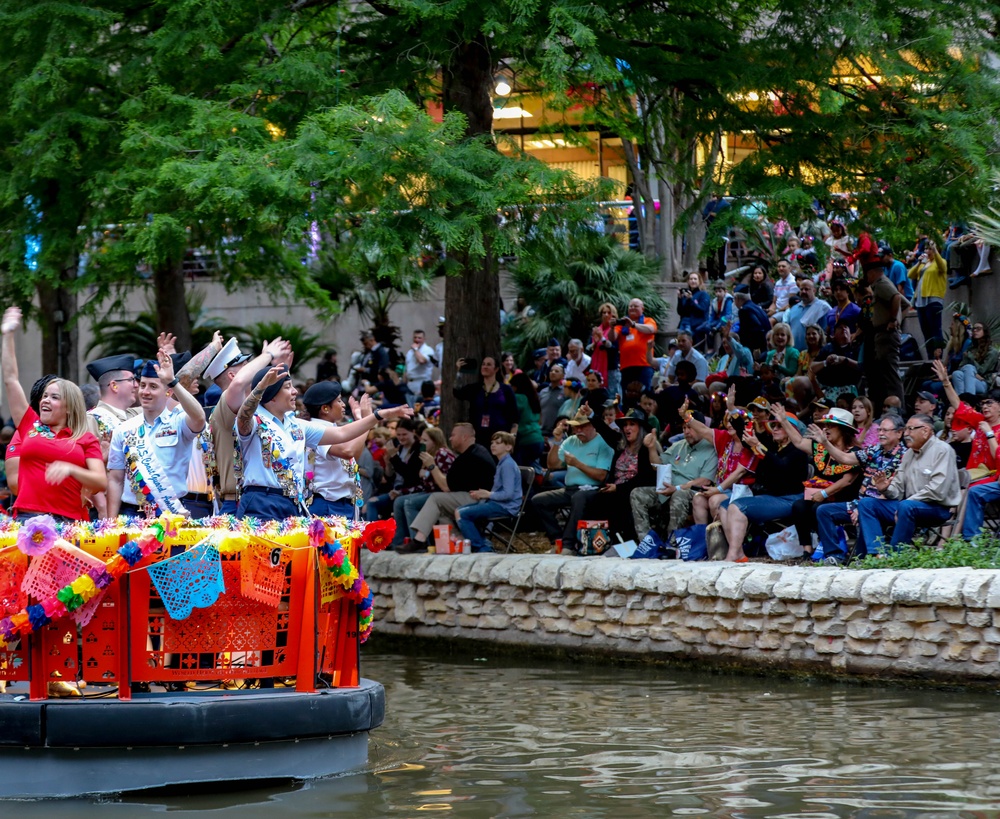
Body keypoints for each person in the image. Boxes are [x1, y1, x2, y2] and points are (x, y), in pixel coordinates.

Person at [235, 364, 412, 520]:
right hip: (261, 501)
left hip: (292, 503)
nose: (295, 391)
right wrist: (260, 389)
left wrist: (379, 415)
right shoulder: (255, 420)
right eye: (288, 387)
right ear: (271, 397)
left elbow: (342, 433)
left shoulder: (297, 425)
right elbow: (243, 417)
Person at [0, 307, 105, 522]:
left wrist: (71, 469)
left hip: (68, 523)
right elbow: (10, 379)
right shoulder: (30, 425)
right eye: (45, 396)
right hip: (27, 520)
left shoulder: (85, 439)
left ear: (69, 407)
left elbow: (100, 481)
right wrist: (8, 334)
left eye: (54, 397)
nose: (45, 400)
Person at [106, 351, 207, 519]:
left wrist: (173, 382)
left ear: (168, 393)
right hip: (132, 513)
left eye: (153, 387)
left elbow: (199, 418)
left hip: (171, 512)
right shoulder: (123, 429)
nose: (145, 392)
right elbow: (115, 480)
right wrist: (110, 521)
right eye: (143, 385)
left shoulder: (179, 421)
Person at [857, 413, 961, 554]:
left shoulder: (942, 450)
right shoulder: (909, 454)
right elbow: (898, 489)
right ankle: (876, 554)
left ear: (925, 431)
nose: (906, 434)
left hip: (937, 508)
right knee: (867, 503)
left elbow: (937, 490)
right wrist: (885, 489)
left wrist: (904, 504)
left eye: (910, 429)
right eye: (906, 429)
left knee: (906, 506)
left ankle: (895, 556)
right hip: (909, 506)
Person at [811, 413, 906, 564]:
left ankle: (870, 557)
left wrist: (861, 508)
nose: (880, 434)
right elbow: (846, 458)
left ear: (899, 433)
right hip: (860, 503)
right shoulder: (874, 450)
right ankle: (835, 556)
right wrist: (825, 443)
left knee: (866, 509)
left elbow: (898, 492)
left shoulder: (904, 456)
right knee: (823, 511)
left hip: (883, 505)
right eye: (879, 430)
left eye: (885, 430)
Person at [715, 413, 810, 562]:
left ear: (792, 431)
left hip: (789, 499)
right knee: (725, 506)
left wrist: (757, 446)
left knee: (737, 507)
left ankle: (733, 554)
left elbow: (781, 466)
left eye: (780, 426)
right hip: (770, 497)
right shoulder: (774, 446)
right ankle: (738, 552)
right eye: (774, 426)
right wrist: (733, 411)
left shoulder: (799, 451)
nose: (775, 429)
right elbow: (746, 439)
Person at [770, 405, 861, 554]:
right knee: (799, 506)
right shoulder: (821, 447)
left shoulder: (855, 453)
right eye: (826, 425)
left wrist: (824, 494)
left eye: (831, 426)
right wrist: (784, 421)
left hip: (844, 498)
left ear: (844, 431)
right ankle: (807, 549)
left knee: (817, 508)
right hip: (820, 495)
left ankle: (829, 544)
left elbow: (847, 481)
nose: (826, 429)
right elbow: (799, 442)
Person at [530, 410, 615, 548]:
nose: (578, 430)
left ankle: (568, 544)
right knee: (538, 500)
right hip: (570, 488)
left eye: (583, 426)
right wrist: (557, 442)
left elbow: (601, 476)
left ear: (593, 426)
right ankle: (557, 539)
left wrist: (578, 464)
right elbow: (552, 465)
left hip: (594, 489)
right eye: (576, 427)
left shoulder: (603, 443)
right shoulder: (570, 441)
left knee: (579, 497)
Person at [576, 407, 661, 542]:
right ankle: (592, 543)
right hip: (614, 489)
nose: (627, 428)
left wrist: (619, 488)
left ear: (641, 428)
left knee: (612, 502)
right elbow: (605, 431)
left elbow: (646, 478)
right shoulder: (621, 444)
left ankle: (622, 542)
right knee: (591, 501)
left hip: (633, 491)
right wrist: (591, 414)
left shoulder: (647, 449)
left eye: (632, 424)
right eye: (625, 425)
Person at [407, 423, 497, 550]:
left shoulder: (471, 457)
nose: (450, 439)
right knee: (441, 508)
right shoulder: (473, 452)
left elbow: (446, 487)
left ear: (464, 437)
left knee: (436, 499)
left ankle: (418, 540)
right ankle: (457, 542)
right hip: (472, 496)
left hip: (481, 500)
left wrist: (432, 466)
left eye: (453, 435)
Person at [629, 410, 716, 540]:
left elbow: (705, 481)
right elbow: (657, 465)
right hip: (668, 490)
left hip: (692, 493)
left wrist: (678, 488)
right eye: (684, 428)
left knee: (679, 494)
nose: (686, 432)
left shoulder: (711, 450)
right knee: (637, 494)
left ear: (701, 428)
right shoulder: (678, 445)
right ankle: (646, 541)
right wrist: (652, 447)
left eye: (690, 428)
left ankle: (672, 541)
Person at [302, 381, 368, 518]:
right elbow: (348, 452)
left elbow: (353, 456)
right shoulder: (318, 429)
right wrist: (366, 422)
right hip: (328, 505)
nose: (343, 404)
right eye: (339, 401)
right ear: (325, 408)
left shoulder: (333, 428)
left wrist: (362, 422)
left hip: (342, 504)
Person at [454, 432, 522, 553]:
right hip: (497, 503)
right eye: (492, 443)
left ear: (508, 447)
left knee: (462, 514)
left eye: (498, 443)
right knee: (459, 511)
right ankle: (483, 543)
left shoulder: (507, 465)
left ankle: (482, 547)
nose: (493, 445)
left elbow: (508, 494)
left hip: (506, 507)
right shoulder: (502, 463)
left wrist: (488, 494)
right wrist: (482, 495)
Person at [390, 425, 455, 548]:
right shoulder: (426, 456)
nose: (421, 443)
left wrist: (428, 471)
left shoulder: (442, 454)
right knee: (399, 501)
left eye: (426, 440)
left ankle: (419, 542)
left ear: (435, 441)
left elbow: (446, 481)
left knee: (410, 503)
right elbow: (423, 485)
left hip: (441, 493)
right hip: (428, 491)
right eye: (421, 440)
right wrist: (402, 491)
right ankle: (398, 542)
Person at [861, 261, 908, 413]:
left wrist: (894, 320)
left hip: (886, 334)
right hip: (883, 334)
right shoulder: (884, 284)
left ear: (872, 272)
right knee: (886, 374)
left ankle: (898, 411)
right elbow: (906, 304)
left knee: (891, 375)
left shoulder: (881, 284)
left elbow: (897, 298)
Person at [453, 355, 519, 447]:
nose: (485, 367)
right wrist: (459, 372)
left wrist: (512, 437)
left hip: (500, 439)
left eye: (488, 364)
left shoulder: (506, 390)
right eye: (483, 364)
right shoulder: (475, 389)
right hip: (478, 438)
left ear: (496, 369)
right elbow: (457, 392)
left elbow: (514, 417)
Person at [908, 238, 947, 346]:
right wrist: (919, 262)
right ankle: (930, 356)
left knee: (935, 329)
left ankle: (938, 357)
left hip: (933, 300)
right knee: (926, 332)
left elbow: (942, 267)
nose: (927, 251)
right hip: (921, 301)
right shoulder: (923, 264)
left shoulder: (941, 262)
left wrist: (935, 250)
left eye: (930, 249)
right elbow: (910, 275)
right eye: (926, 249)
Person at [616, 298, 657, 390]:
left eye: (636, 306)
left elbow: (651, 329)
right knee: (627, 395)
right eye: (631, 306)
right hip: (626, 366)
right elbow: (612, 338)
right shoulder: (622, 323)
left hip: (644, 365)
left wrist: (633, 325)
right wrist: (611, 327)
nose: (633, 308)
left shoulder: (648, 320)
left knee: (644, 393)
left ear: (642, 309)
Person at [951, 321, 998, 396]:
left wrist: (971, 358)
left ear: (985, 332)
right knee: (956, 373)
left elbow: (982, 371)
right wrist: (972, 374)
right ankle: (961, 403)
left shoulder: (992, 351)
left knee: (969, 367)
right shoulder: (971, 349)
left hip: (983, 382)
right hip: (970, 377)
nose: (975, 331)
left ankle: (970, 400)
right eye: (974, 329)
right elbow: (960, 366)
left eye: (978, 329)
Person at [782, 280, 831, 351]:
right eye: (801, 289)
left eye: (806, 289)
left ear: (814, 290)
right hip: (794, 352)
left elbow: (825, 332)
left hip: (813, 354)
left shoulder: (823, 307)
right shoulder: (794, 308)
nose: (803, 292)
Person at [509, 372, 544, 467]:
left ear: (516, 386)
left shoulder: (518, 398)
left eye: (511, 386)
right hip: (538, 439)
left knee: (523, 472)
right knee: (532, 469)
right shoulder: (533, 398)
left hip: (526, 440)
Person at [588, 303, 621, 399]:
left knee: (612, 396)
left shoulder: (617, 329)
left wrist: (602, 337)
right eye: (604, 312)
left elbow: (613, 347)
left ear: (613, 315)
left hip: (610, 368)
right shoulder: (597, 329)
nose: (606, 315)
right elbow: (589, 349)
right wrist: (595, 343)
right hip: (597, 368)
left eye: (609, 312)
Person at [677, 272, 711, 347]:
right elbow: (680, 312)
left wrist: (691, 300)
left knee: (688, 345)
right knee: (680, 345)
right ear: (688, 281)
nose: (693, 281)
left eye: (695, 279)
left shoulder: (703, 294)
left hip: (695, 324)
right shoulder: (686, 294)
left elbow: (702, 310)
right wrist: (679, 299)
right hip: (683, 323)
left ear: (699, 281)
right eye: (691, 279)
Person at [733, 289, 771, 355]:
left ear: (737, 299)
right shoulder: (756, 307)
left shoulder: (744, 310)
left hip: (756, 348)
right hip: (765, 344)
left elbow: (746, 332)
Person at [404, 330, 435, 404]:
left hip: (422, 383)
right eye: (415, 337)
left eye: (419, 338)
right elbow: (406, 369)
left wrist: (415, 349)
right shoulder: (410, 352)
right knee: (410, 410)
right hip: (410, 385)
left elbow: (421, 360)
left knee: (420, 408)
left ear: (424, 339)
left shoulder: (428, 350)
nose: (417, 340)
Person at [537, 363, 566, 437]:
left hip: (558, 433)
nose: (553, 373)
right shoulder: (543, 391)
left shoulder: (565, 392)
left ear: (563, 375)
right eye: (551, 371)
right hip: (542, 432)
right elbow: (539, 410)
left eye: (556, 371)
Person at [706, 282, 735, 349]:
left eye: (720, 291)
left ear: (725, 291)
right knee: (706, 327)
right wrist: (709, 324)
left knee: (721, 326)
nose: (718, 294)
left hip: (725, 320)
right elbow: (712, 315)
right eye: (716, 292)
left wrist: (717, 327)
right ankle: (710, 348)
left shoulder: (728, 300)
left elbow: (728, 315)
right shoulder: (715, 301)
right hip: (717, 320)